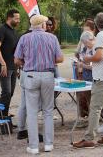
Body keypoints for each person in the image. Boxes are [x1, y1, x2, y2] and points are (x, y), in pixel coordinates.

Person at [14, 14, 64, 154]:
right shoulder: (52, 38)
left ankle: (34, 146)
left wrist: (27, 62)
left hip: (30, 75)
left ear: (31, 25)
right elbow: (60, 58)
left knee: (32, 111)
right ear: (43, 25)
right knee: (48, 111)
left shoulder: (24, 38)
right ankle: (48, 144)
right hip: (48, 75)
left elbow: (17, 60)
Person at [73, 12, 103, 149]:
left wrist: (87, 59)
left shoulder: (101, 36)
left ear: (97, 24)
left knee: (95, 108)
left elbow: (99, 56)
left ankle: (89, 139)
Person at [0, 9, 21, 118]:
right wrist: (3, 64)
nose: (18, 20)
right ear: (9, 18)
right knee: (6, 92)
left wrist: (17, 67)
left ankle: (5, 115)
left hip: (13, 67)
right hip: (4, 67)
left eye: (19, 18)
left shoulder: (13, 32)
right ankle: (1, 118)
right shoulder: (1, 30)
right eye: (16, 18)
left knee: (11, 92)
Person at [76, 31, 95, 128]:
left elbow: (94, 67)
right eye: (83, 42)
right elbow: (81, 59)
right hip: (86, 78)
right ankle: (90, 120)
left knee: (94, 101)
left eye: (85, 42)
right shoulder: (84, 49)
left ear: (91, 39)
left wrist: (83, 65)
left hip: (94, 78)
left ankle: (94, 122)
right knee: (88, 100)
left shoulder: (96, 49)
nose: (84, 44)